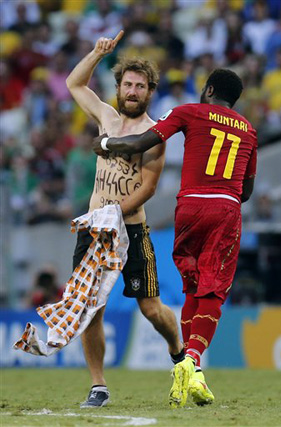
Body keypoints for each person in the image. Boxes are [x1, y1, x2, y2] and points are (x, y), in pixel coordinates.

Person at [93, 68, 257, 408]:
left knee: (192, 286)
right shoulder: (249, 131)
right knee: (214, 287)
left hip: (189, 207)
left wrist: (106, 143)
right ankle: (193, 360)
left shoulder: (189, 111)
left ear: (209, 89)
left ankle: (188, 367)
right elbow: (247, 191)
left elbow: (142, 142)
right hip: (225, 207)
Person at [66, 30, 184, 408]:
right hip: (95, 229)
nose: (133, 91)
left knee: (151, 309)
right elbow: (74, 83)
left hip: (131, 229)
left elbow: (148, 188)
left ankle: (177, 350)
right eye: (128, 84)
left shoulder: (155, 134)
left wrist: (116, 214)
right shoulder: (107, 116)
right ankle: (98, 385)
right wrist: (97, 53)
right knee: (91, 308)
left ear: (150, 91)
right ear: (119, 87)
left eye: (141, 86)